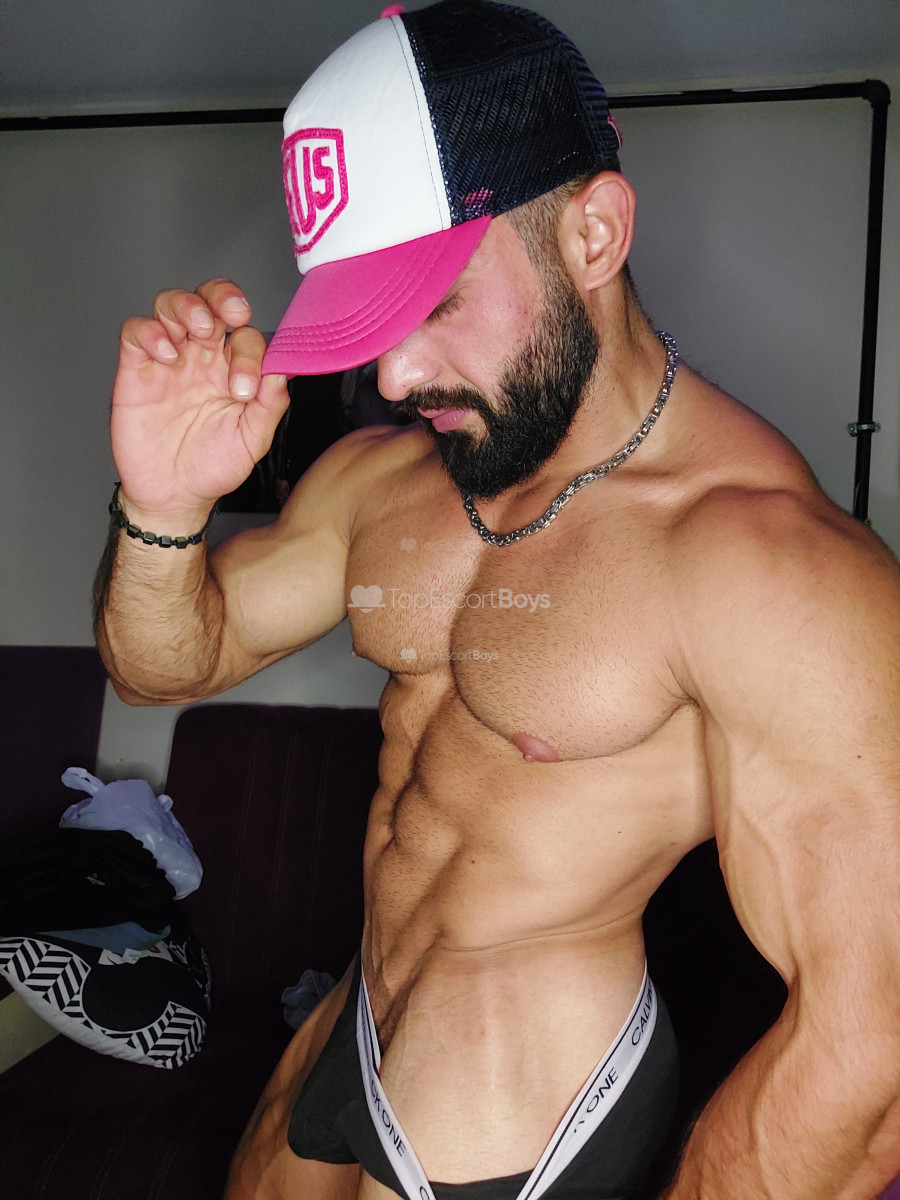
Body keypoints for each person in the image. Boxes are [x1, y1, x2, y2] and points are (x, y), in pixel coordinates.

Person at [93, 2, 900, 1197]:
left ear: (594, 232)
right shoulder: (382, 482)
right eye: (370, 320)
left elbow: (874, 1044)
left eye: (433, 305)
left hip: (516, 1083)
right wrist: (162, 508)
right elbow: (164, 664)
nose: (393, 374)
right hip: (364, 1006)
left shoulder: (767, 567)